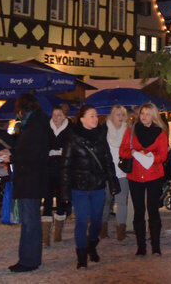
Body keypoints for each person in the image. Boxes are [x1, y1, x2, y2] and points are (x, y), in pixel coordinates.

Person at [61, 105, 120, 269]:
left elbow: (108, 160)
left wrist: (113, 182)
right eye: (92, 116)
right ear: (82, 119)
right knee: (81, 221)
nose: (95, 119)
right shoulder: (72, 137)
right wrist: (65, 192)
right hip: (79, 187)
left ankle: (91, 246)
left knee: (97, 221)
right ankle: (81, 257)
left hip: (98, 185)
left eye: (96, 116)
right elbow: (65, 166)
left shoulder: (101, 135)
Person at [0, 93, 50, 273]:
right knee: (30, 221)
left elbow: (32, 154)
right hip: (32, 180)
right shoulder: (35, 124)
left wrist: (12, 156)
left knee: (30, 222)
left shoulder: (34, 126)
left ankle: (29, 260)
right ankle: (29, 258)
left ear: (22, 108)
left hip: (30, 180)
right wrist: (13, 152)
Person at [119, 102, 168, 256]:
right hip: (135, 176)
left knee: (153, 211)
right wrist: (134, 153)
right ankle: (141, 247)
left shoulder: (160, 133)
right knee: (138, 212)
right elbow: (123, 151)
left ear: (153, 116)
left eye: (147, 114)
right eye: (142, 113)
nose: (144, 117)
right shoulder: (132, 131)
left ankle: (156, 246)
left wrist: (151, 157)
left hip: (153, 175)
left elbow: (163, 155)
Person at [43, 104, 71, 246]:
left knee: (61, 199)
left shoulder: (69, 128)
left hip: (63, 169)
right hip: (48, 169)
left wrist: (60, 152)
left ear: (64, 116)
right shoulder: (46, 128)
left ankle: (58, 233)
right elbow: (43, 146)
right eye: (54, 115)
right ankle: (45, 235)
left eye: (59, 115)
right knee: (47, 199)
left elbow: (70, 147)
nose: (56, 118)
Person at [102, 104, 130, 241]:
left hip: (123, 173)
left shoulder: (128, 131)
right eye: (117, 114)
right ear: (111, 116)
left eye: (122, 114)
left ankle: (121, 231)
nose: (120, 117)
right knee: (106, 201)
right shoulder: (104, 130)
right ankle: (103, 229)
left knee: (122, 202)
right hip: (107, 173)